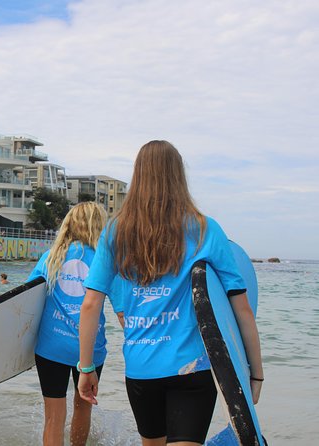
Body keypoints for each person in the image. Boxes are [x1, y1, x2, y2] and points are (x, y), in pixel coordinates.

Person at [77, 141, 264, 446]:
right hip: (192, 370)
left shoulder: (116, 231)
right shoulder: (206, 230)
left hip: (141, 370)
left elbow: (90, 305)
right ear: (179, 176)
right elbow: (240, 308)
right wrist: (254, 374)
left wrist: (86, 368)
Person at [28, 202, 109, 446]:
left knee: (53, 416)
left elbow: (25, 299)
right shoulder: (105, 261)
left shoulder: (50, 257)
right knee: (83, 408)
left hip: (51, 346)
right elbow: (124, 308)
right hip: (90, 350)